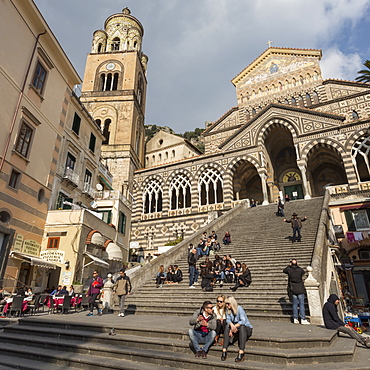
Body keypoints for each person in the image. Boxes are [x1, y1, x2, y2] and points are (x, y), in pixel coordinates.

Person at [221, 296, 253, 362]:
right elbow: (228, 320)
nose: (226, 305)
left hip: (246, 328)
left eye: (228, 304)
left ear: (232, 303)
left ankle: (241, 351)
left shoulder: (239, 309)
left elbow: (243, 321)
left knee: (242, 327)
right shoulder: (228, 310)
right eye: (226, 304)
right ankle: (224, 349)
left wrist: (233, 327)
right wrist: (231, 326)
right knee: (227, 326)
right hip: (236, 328)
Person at [283, 259, 310, 325]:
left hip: (293, 288)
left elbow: (284, 270)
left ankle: (295, 318)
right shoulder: (300, 270)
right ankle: (303, 318)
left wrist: (289, 265)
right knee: (301, 304)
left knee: (295, 304)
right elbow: (303, 272)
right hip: (300, 288)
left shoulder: (289, 270)